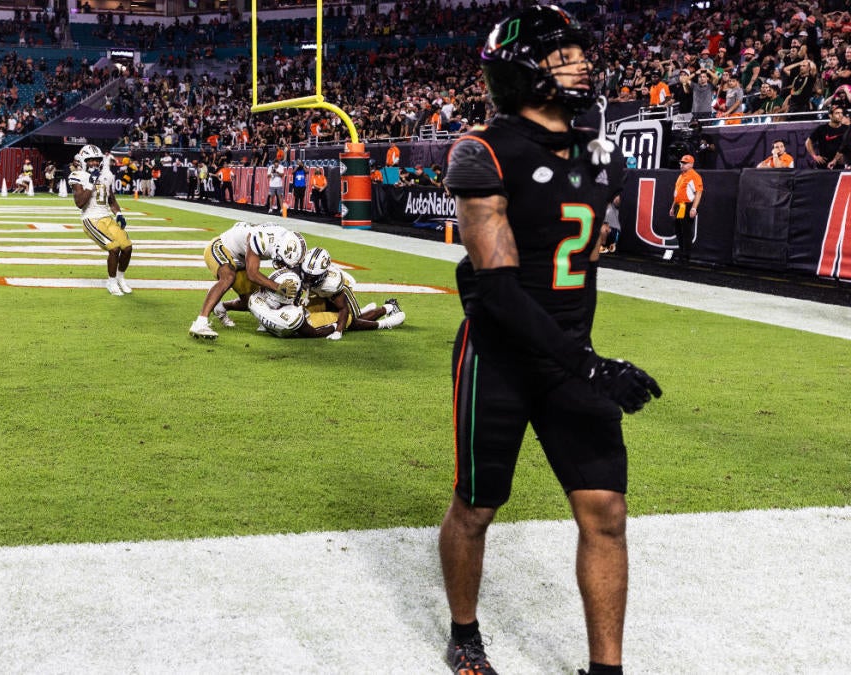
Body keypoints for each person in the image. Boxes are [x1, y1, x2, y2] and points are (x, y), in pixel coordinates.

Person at [440, 7, 661, 675]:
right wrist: (589, 365)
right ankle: (465, 631)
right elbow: (502, 293)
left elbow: (584, 261)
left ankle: (607, 668)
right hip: (499, 357)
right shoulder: (481, 150)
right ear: (522, 68)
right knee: (477, 507)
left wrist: (580, 356)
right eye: (560, 55)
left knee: (607, 509)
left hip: (572, 360)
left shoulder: (604, 157)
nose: (579, 64)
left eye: (576, 52)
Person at [188, 222, 305, 339]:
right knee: (228, 277)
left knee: (255, 301)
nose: (281, 265)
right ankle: (200, 323)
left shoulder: (291, 244)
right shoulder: (262, 239)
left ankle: (221, 307)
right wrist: (277, 286)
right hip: (221, 247)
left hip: (242, 260)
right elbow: (252, 274)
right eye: (282, 262)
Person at [297, 247, 404, 340]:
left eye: (312, 277)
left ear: (324, 274)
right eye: (306, 274)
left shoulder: (332, 283)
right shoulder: (300, 270)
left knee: (352, 320)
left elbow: (343, 308)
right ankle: (368, 310)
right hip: (320, 291)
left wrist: (338, 331)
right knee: (312, 313)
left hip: (342, 288)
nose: (307, 279)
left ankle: (389, 308)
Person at [68, 144, 133, 297]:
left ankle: (120, 278)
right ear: (83, 161)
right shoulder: (77, 176)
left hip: (106, 217)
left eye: (96, 160)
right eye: (90, 160)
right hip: (90, 218)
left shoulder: (106, 175)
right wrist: (91, 183)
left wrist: (118, 214)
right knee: (114, 248)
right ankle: (111, 281)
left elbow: (111, 200)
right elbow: (79, 203)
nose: (94, 163)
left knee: (127, 247)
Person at [671, 154, 703, 264]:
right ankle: (681, 252)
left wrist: (694, 208)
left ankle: (686, 256)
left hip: (687, 205)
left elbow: (698, 193)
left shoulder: (694, 176)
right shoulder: (681, 176)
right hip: (680, 206)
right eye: (681, 162)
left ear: (691, 164)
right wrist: (673, 207)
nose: (682, 164)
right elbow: (677, 193)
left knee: (686, 232)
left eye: (685, 163)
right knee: (679, 231)